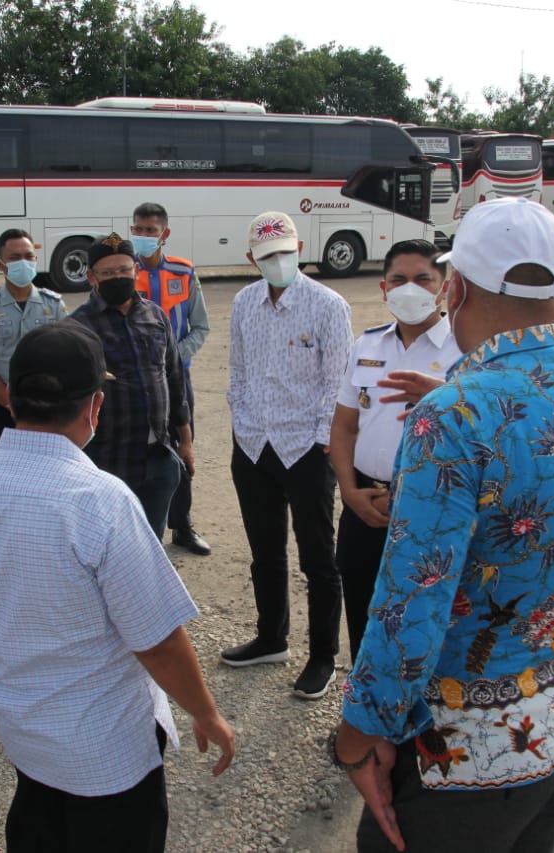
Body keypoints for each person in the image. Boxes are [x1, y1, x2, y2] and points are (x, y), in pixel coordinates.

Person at [331, 197, 554, 853]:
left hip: (469, 755)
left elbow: (414, 596)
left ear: (458, 287)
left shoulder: (454, 413)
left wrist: (361, 730)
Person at [0, 322, 235, 852]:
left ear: (11, 398)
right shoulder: (99, 500)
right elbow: (155, 638)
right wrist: (206, 713)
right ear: (95, 406)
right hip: (106, 750)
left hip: (25, 734)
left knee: (38, 824)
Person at [221, 211, 352, 701]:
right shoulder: (243, 302)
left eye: (285, 252)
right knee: (265, 552)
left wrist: (324, 441)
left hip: (307, 448)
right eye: (267, 255)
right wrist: (241, 422)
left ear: (299, 250)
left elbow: (337, 380)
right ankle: (271, 638)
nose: (278, 262)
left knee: (319, 558)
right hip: (254, 444)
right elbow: (238, 369)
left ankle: (322, 657)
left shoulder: (327, 305)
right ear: (251, 257)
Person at [328, 239, 462, 663]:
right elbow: (345, 425)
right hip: (364, 505)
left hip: (431, 507)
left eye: (423, 279)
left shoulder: (465, 350)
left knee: (423, 623)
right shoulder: (367, 345)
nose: (410, 289)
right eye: (399, 280)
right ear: (383, 288)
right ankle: (362, 718)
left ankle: (415, 727)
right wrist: (349, 492)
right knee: (364, 618)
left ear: (444, 287)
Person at [68, 232, 192, 539]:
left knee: (152, 546)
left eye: (124, 270)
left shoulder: (155, 315)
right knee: (109, 547)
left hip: (159, 459)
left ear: (135, 269)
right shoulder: (77, 327)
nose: (117, 277)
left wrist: (185, 442)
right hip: (107, 463)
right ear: (91, 277)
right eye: (107, 273)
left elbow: (175, 380)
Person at [131, 202, 213, 556]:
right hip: (134, 384)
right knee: (136, 452)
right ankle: (134, 527)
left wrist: (173, 359)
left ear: (164, 234)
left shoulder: (183, 272)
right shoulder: (123, 272)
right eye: (139, 229)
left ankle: (182, 526)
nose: (144, 236)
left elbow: (201, 326)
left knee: (182, 451)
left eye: (151, 230)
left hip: (178, 382)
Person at [0, 228, 67, 446]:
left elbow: (65, 358)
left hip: (49, 409)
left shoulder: (53, 304)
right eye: (14, 258)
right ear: (0, 264)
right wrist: (12, 404)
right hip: (4, 410)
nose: (23, 262)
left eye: (28, 257)